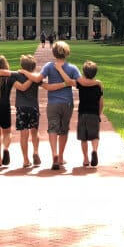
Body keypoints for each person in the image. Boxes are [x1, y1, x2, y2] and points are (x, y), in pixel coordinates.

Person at [40, 40, 80, 170]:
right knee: (64, 130)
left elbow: (39, 79)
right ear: (67, 53)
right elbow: (76, 84)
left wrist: (46, 86)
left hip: (52, 102)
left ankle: (54, 154)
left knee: (52, 128)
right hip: (67, 102)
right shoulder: (72, 68)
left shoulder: (48, 66)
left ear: (54, 52)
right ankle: (61, 156)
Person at [56, 59, 104, 166]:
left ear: (83, 72)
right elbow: (101, 103)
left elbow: (68, 81)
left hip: (82, 113)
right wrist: (99, 114)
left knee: (84, 138)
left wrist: (59, 69)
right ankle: (95, 150)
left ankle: (86, 159)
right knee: (95, 136)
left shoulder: (80, 84)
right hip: (94, 114)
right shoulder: (98, 86)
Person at [12, 54, 42, 167]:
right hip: (33, 107)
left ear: (21, 66)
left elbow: (21, 87)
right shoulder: (36, 77)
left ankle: (25, 160)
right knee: (34, 131)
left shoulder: (16, 76)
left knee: (23, 134)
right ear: (33, 67)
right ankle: (35, 151)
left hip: (21, 107)